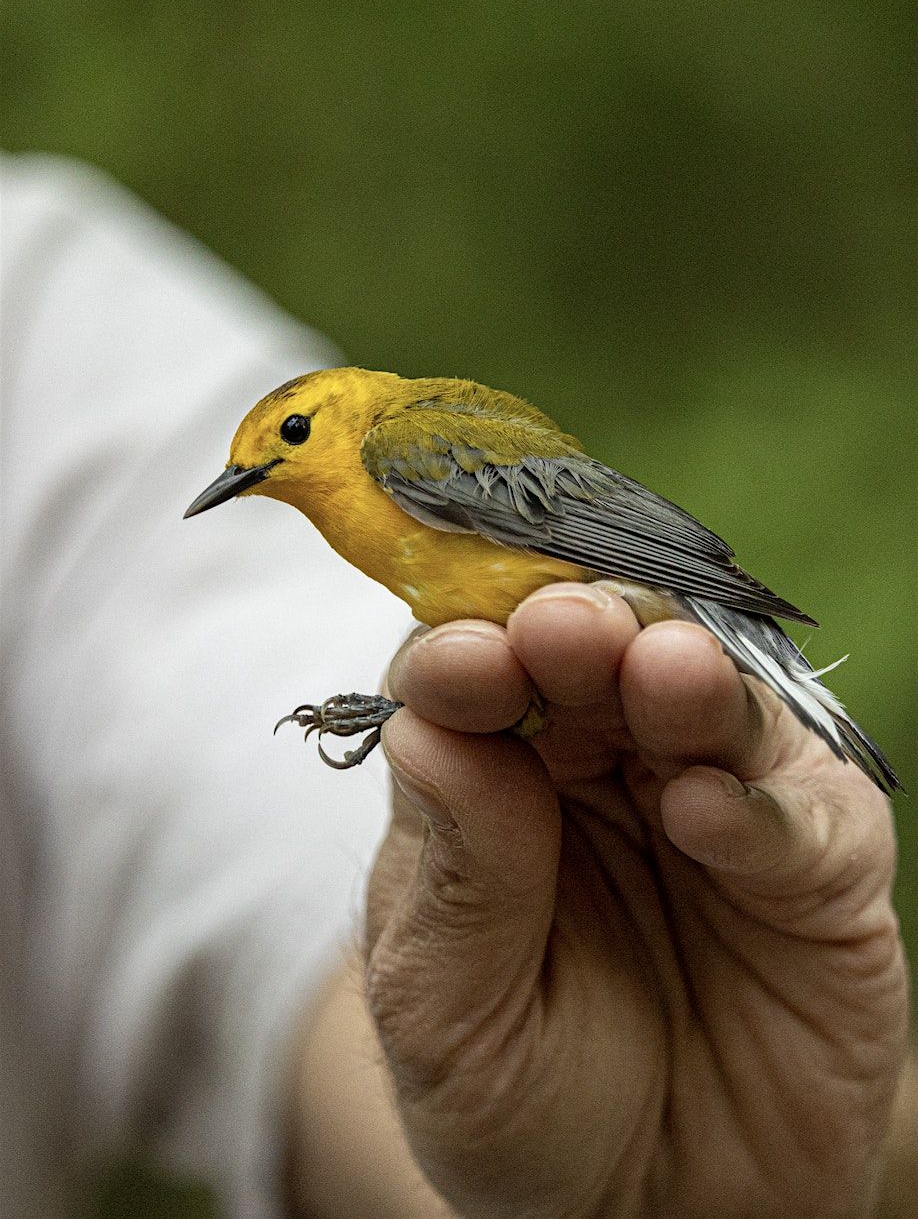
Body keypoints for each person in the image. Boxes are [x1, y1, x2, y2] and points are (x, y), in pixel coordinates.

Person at [1, 153, 913, 1218]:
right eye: (256, 463)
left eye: (287, 440)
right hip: (544, 636)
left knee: (521, 672)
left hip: (610, 575)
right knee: (474, 684)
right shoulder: (342, 516)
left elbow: (571, 520)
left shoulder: (403, 444)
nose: (269, 470)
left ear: (336, 419)